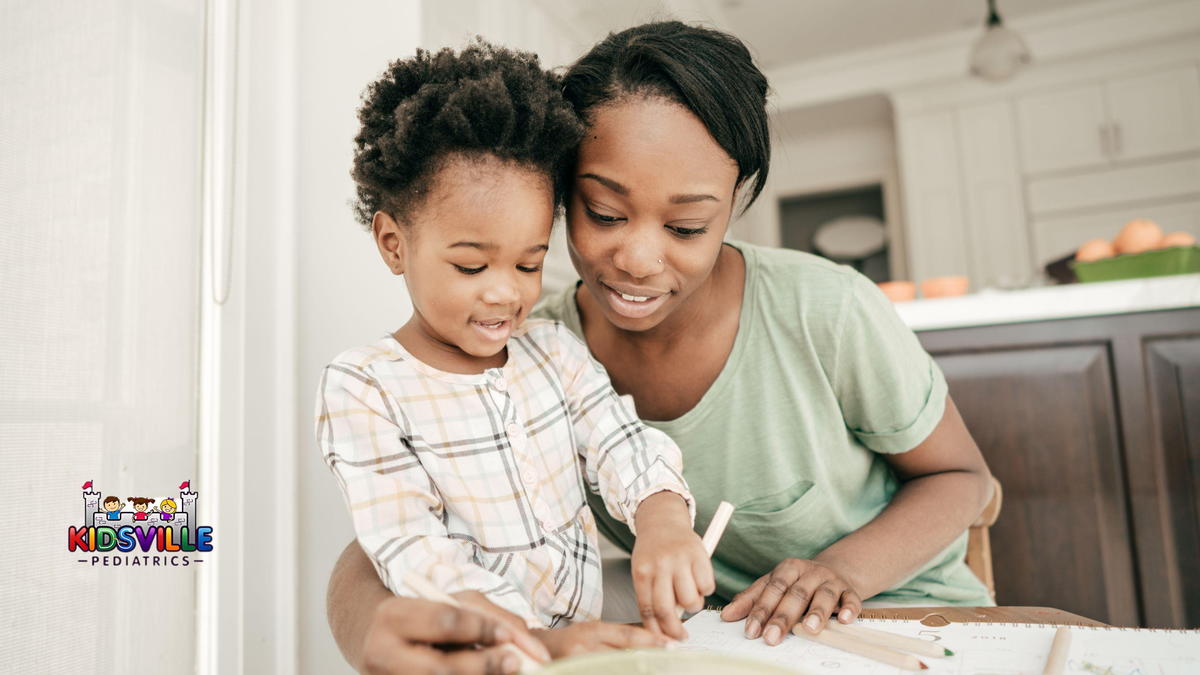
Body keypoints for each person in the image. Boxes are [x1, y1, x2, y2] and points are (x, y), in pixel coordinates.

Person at [326, 21, 995, 671]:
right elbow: (395, 533)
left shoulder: (826, 312)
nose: (639, 259)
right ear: (560, 193)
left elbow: (964, 479)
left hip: (907, 621)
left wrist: (839, 569)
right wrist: (368, 629)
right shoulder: (530, 348)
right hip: (722, 643)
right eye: (605, 214)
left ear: (732, 206)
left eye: (686, 225)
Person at [315, 40, 714, 666]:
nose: (506, 292)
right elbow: (410, 549)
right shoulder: (366, 386)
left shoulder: (553, 350)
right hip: (485, 655)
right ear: (394, 244)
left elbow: (620, 442)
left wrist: (662, 520)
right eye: (471, 265)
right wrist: (532, 643)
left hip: (580, 647)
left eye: (530, 263)